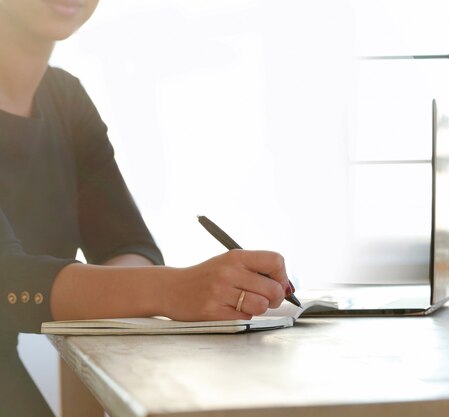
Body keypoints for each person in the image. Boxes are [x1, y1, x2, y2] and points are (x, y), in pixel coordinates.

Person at [0, 0, 295, 335]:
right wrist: (168, 289)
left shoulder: (64, 98)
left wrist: (164, 286)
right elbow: (5, 279)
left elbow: (129, 245)